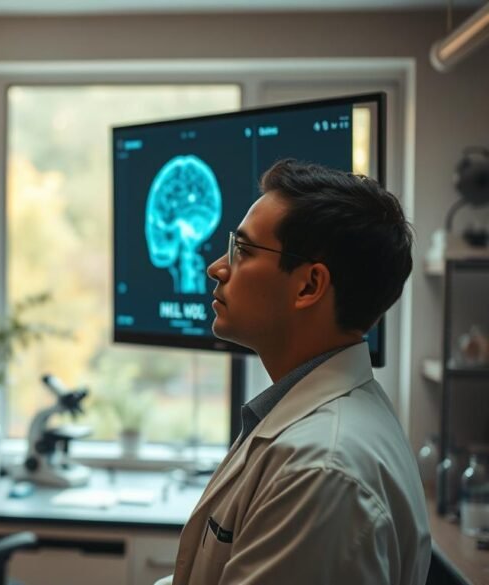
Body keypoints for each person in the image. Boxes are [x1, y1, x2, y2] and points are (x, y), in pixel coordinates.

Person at [156, 159, 430, 585]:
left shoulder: (322, 473)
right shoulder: (308, 428)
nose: (217, 267)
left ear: (308, 286)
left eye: (242, 251)